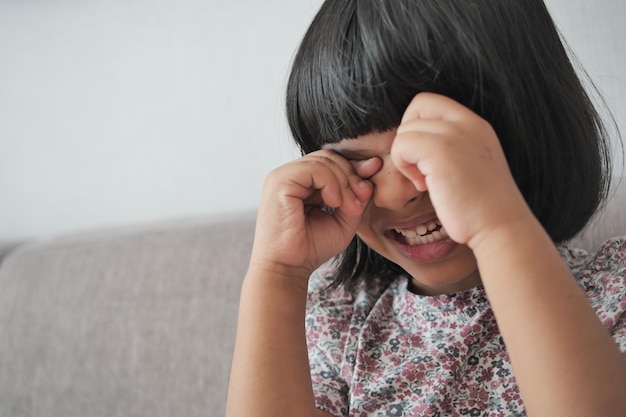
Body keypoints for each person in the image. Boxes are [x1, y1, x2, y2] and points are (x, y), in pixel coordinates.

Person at [225, 0, 626, 416]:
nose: (397, 194)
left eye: (432, 144)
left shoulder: (612, 292)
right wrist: (278, 276)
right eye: (357, 162)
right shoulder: (341, 319)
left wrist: (498, 227)